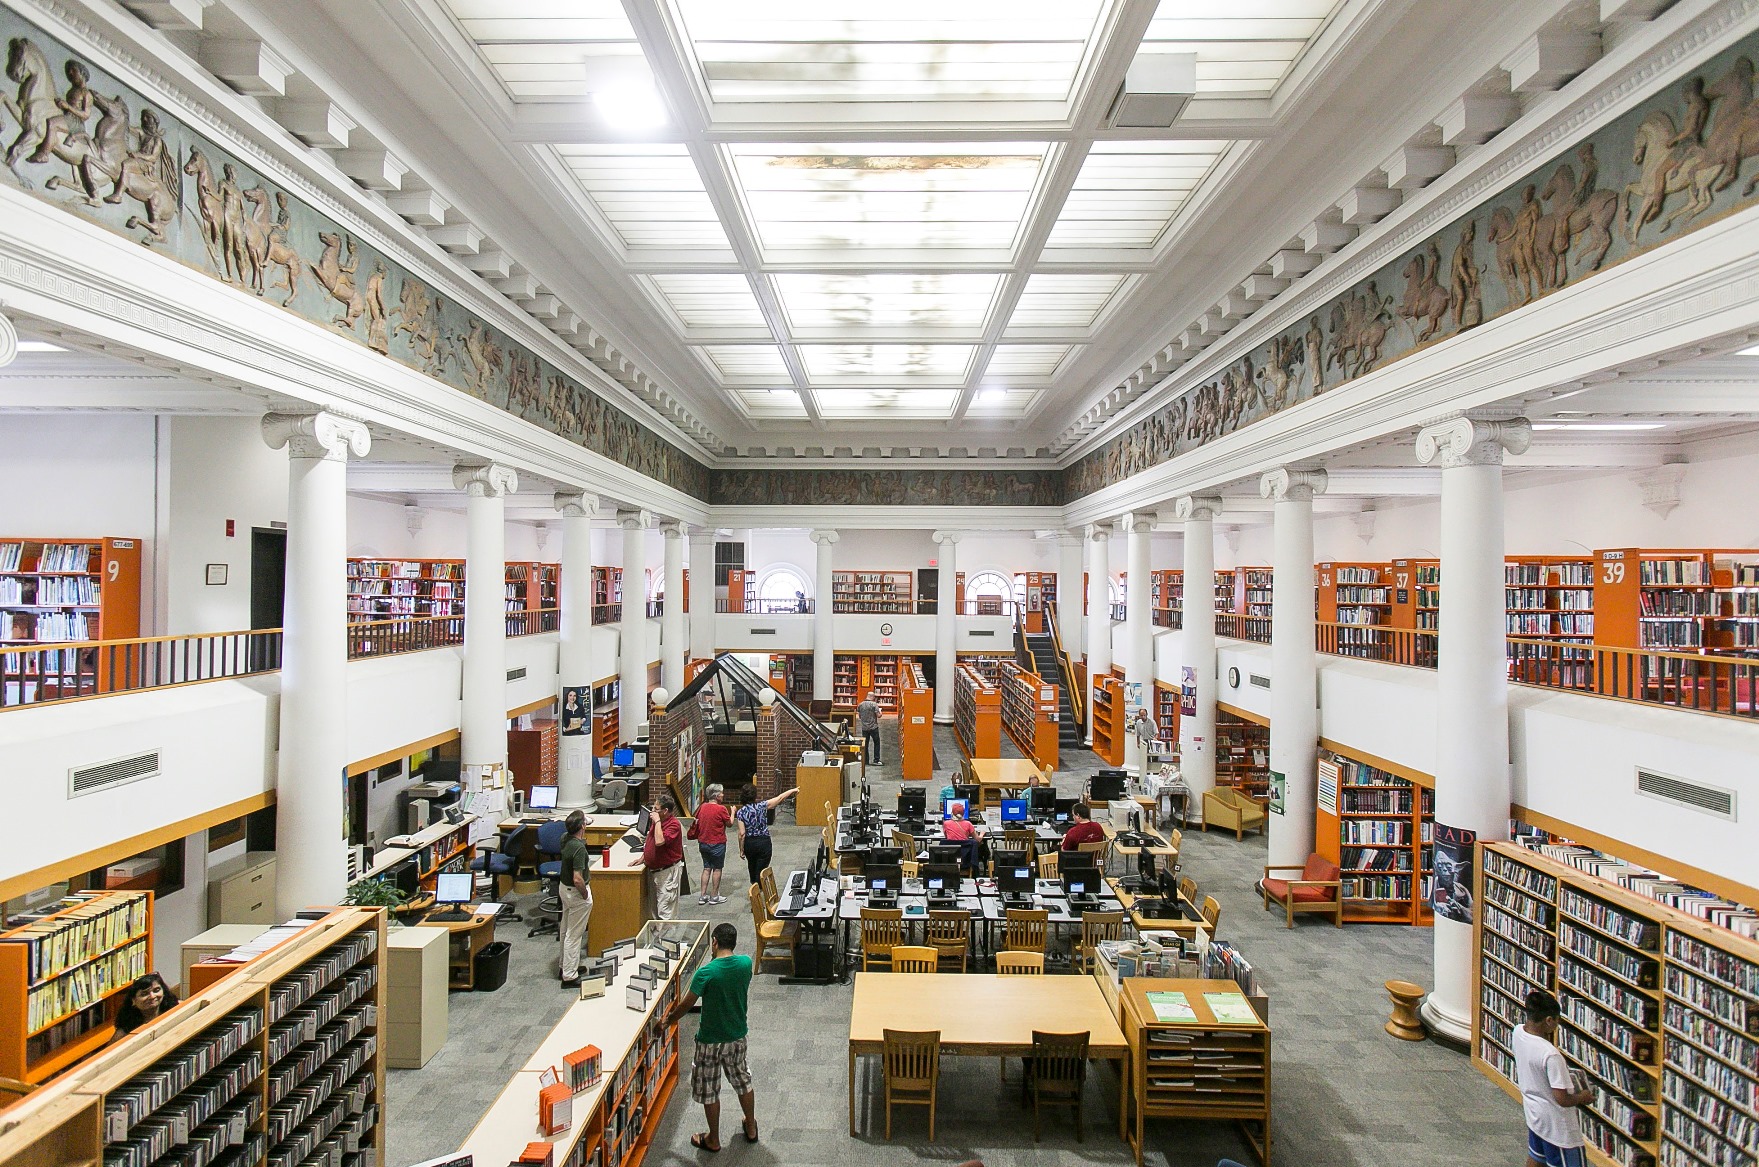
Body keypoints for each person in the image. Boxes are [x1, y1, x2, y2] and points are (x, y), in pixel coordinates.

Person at [667, 922, 756, 1152]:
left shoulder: (706, 973)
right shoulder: (746, 964)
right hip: (737, 1035)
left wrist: (668, 1021)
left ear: (714, 942)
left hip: (709, 1040)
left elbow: (687, 1004)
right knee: (743, 1080)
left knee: (709, 1088)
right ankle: (752, 1125)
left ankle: (713, 1139)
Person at [1514, 989, 1593, 1167]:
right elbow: (1562, 1098)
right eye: (1557, 1021)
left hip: (1535, 1116)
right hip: (1559, 1130)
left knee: (1536, 1159)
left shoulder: (1518, 1033)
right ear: (1549, 1020)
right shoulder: (1550, 1054)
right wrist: (1583, 1096)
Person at [735, 782, 797, 886]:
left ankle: (754, 888)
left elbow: (742, 833)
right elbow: (779, 798)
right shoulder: (761, 806)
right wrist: (792, 790)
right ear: (755, 795)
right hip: (764, 842)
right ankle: (760, 889)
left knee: (752, 866)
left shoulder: (741, 812)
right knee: (762, 870)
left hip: (750, 843)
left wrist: (741, 849)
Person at [557, 809, 593, 986]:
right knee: (574, 934)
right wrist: (585, 894)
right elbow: (578, 878)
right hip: (576, 892)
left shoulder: (565, 838)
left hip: (563, 889)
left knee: (565, 928)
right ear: (582, 826)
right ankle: (570, 976)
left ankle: (564, 966)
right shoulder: (578, 848)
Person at [644, 794, 685, 921]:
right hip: (655, 871)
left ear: (665, 811)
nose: (652, 812)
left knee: (665, 912)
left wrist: (656, 821)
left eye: (656, 809)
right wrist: (643, 856)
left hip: (667, 873)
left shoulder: (673, 825)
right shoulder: (658, 822)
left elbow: (659, 841)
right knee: (654, 911)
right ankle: (657, 939)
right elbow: (651, 839)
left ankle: (667, 940)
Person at [693, 784, 733, 905]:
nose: (723, 795)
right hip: (717, 843)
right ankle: (714, 896)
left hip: (703, 842)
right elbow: (730, 823)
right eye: (721, 793)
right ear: (716, 795)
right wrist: (733, 812)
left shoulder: (702, 807)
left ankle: (703, 895)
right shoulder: (721, 809)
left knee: (706, 868)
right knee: (717, 869)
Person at [112, 973, 178, 1039]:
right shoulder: (124, 1031)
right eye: (144, 994)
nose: (152, 996)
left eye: (156, 990)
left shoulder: (177, 1009)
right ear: (133, 1000)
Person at [940, 801, 982, 873]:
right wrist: (982, 834)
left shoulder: (946, 823)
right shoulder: (968, 824)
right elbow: (978, 839)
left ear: (952, 812)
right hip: (965, 859)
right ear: (963, 813)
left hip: (950, 858)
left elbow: (947, 837)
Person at [856, 694, 881, 764]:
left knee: (865, 744)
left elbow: (860, 716)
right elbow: (878, 716)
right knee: (876, 743)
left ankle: (866, 761)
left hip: (864, 728)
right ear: (872, 697)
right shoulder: (874, 704)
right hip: (873, 727)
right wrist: (881, 712)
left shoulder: (860, 705)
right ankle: (876, 760)